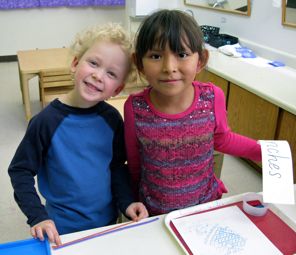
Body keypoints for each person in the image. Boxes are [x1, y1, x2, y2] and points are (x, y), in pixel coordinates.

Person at [8, 23, 148, 246]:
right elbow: (20, 170)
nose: (98, 75)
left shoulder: (112, 120)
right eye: (93, 63)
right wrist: (38, 216)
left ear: (117, 90)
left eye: (111, 73)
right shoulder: (46, 122)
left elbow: (116, 166)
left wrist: (127, 202)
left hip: (106, 224)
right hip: (60, 231)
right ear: (75, 63)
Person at [124, 9, 261, 216]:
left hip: (205, 206)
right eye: (155, 56)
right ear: (139, 64)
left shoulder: (212, 97)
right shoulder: (135, 107)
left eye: (182, 54)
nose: (169, 67)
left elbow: (223, 139)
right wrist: (134, 201)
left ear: (201, 60)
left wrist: (262, 152)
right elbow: (134, 162)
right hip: (155, 212)